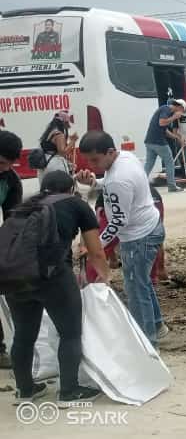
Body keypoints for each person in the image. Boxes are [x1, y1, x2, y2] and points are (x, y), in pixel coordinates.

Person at [8, 171, 109, 406]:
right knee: (70, 332)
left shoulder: (24, 207)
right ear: (71, 189)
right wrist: (106, 277)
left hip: (15, 276)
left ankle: (25, 391)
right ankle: (69, 391)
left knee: (23, 336)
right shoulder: (76, 204)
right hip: (53, 276)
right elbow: (95, 252)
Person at [75, 131, 167, 345]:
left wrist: (95, 245)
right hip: (149, 227)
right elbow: (110, 184)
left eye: (95, 160)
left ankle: (146, 342)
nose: (92, 165)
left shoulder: (119, 179)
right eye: (88, 160)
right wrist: (95, 183)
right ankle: (156, 326)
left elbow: (118, 221)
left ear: (109, 152)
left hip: (138, 238)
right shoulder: (125, 157)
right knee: (142, 283)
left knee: (136, 290)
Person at [0, 130, 24, 369]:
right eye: (1, 163)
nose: (5, 168)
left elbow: (12, 220)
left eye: (9, 164)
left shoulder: (10, 180)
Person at [143, 100, 186, 193]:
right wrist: (174, 117)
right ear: (180, 107)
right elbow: (161, 123)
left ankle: (140, 185)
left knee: (149, 164)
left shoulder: (165, 110)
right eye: (182, 110)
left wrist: (177, 138)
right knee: (169, 162)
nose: (181, 113)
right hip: (158, 141)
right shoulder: (166, 109)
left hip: (149, 141)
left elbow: (165, 130)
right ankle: (172, 186)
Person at [38, 110, 77, 177]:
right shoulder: (59, 134)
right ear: (63, 122)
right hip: (55, 164)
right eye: (68, 123)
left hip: (45, 164)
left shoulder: (51, 132)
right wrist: (73, 141)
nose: (69, 126)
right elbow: (62, 152)